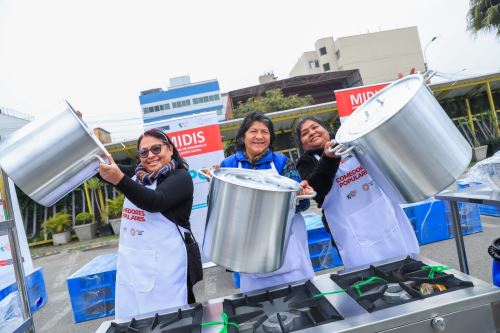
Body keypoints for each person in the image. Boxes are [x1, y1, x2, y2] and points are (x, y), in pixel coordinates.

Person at [98, 128, 202, 320]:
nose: (150, 156)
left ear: (169, 149)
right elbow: (98, 166)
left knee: (171, 322)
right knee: (135, 321)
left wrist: (119, 179)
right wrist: (81, 133)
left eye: (156, 149)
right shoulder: (136, 175)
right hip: (133, 268)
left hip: (168, 271)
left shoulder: (180, 178)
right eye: (144, 152)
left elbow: (155, 201)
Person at [293, 116, 419, 270]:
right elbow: (318, 188)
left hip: (383, 213)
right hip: (350, 229)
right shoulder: (306, 162)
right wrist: (329, 158)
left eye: (315, 127)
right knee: (367, 276)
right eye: (305, 133)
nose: (312, 133)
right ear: (302, 144)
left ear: (326, 129)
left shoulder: (349, 142)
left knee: (405, 265)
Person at [219, 111, 315, 293]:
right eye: (253, 131)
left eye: (265, 132)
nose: (259, 137)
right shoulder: (228, 165)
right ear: (242, 136)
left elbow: (302, 204)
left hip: (286, 241)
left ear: (270, 137)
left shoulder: (282, 162)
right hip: (249, 246)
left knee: (301, 297)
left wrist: (301, 193)